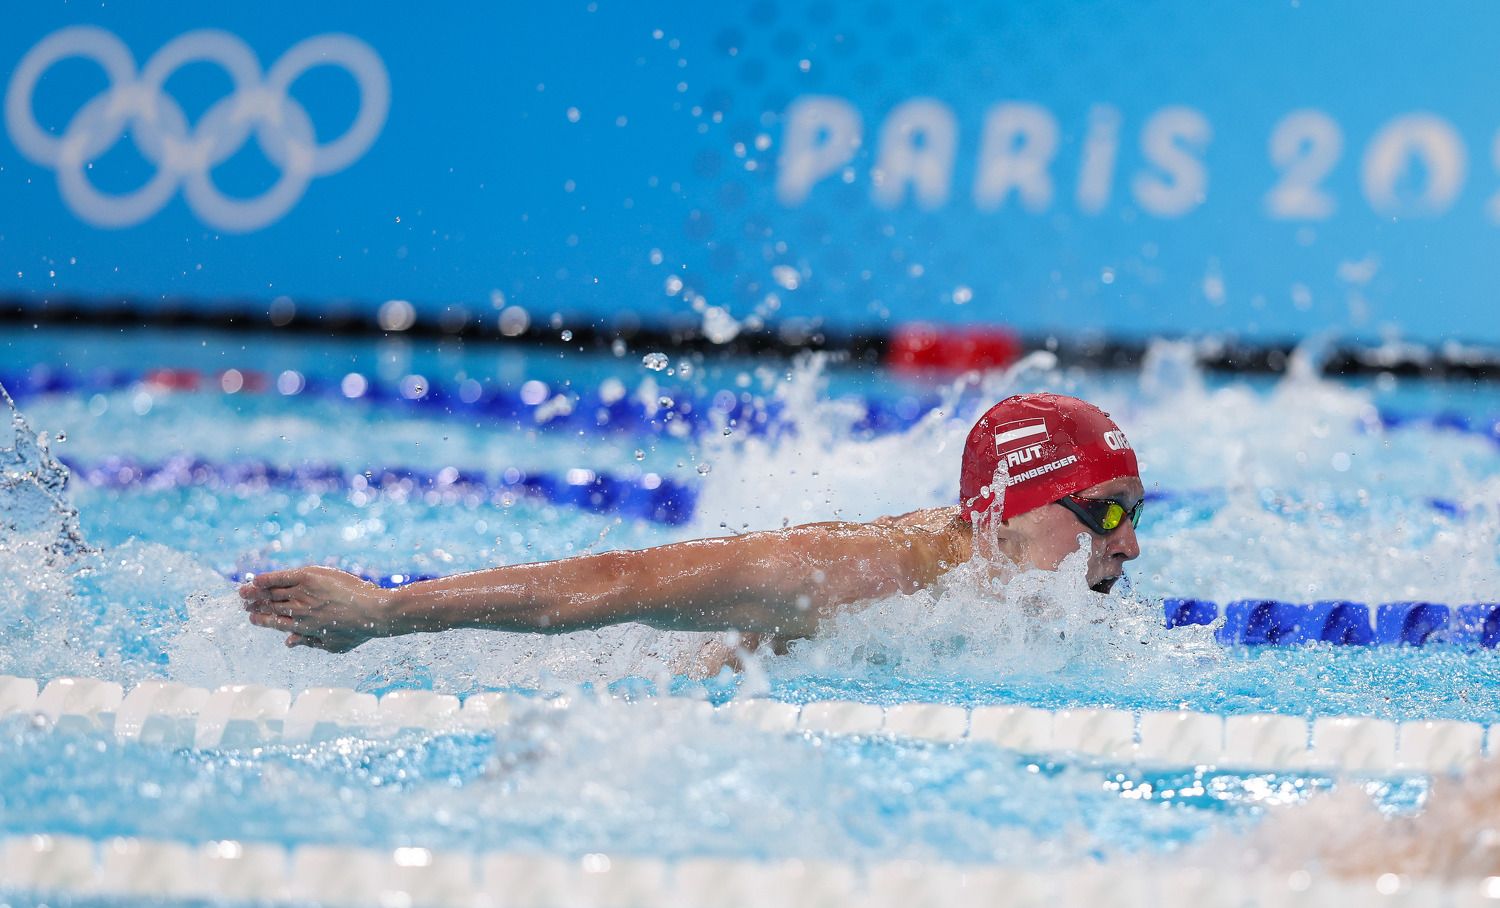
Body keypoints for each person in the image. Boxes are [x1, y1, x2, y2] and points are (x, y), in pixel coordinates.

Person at [240, 393, 1144, 653]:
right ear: (1003, 513)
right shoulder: (868, 572)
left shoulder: (1025, 603)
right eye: (1102, 513)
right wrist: (386, 611)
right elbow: (618, 584)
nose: (1128, 545)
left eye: (1134, 516)